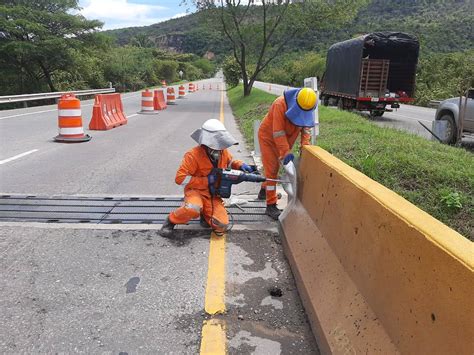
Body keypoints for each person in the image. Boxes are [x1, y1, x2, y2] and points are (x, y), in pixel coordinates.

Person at [160, 119, 254, 237]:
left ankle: (205, 215)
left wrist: (240, 165)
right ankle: (170, 221)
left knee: (221, 225)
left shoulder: (223, 152)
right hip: (196, 192)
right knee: (193, 208)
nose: (220, 149)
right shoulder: (193, 155)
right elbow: (180, 178)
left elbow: (230, 162)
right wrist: (206, 181)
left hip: (213, 194)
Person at [258, 87, 317, 220]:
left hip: (286, 140)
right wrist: (284, 152)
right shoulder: (279, 104)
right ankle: (271, 205)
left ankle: (263, 190)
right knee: (272, 169)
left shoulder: (308, 105)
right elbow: (278, 132)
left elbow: (306, 127)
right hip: (268, 138)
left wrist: (305, 146)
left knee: (271, 169)